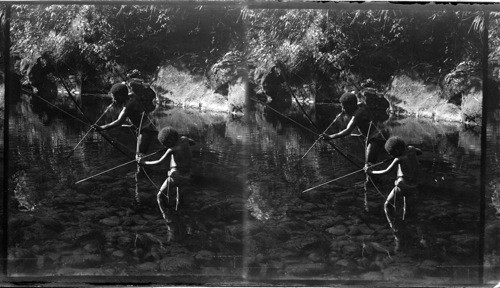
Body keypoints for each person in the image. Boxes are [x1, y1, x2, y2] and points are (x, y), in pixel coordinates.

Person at [364, 136, 423, 251]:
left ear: (396, 152)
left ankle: (395, 229)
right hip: (413, 186)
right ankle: (407, 228)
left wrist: (370, 171)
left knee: (387, 206)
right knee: (407, 212)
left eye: (391, 154)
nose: (391, 156)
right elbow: (419, 152)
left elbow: (385, 172)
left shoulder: (398, 159)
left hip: (402, 186)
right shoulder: (411, 149)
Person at [137, 127, 195, 223]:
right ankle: (178, 217)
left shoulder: (171, 149)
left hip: (175, 176)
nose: (165, 146)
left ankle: (166, 218)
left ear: (170, 141)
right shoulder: (184, 139)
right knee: (178, 199)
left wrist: (143, 162)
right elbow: (193, 142)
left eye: (165, 144)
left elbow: (158, 162)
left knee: (159, 195)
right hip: (186, 176)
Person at [320, 92, 387, 165]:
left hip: (375, 139)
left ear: (351, 105)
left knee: (368, 166)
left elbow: (347, 131)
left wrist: (330, 137)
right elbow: (360, 105)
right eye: (342, 107)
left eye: (345, 108)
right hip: (377, 136)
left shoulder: (357, 115)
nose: (343, 110)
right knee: (370, 165)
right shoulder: (361, 105)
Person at [93, 83, 158, 155]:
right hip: (143, 127)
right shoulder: (132, 95)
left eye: (115, 98)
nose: (114, 100)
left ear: (121, 96)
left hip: (146, 129)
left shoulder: (129, 105)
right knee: (140, 155)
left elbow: (119, 121)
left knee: (140, 156)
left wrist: (101, 127)